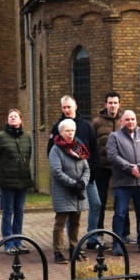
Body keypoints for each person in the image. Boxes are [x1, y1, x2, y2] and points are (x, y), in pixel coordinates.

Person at [47, 96, 105, 253]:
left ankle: (88, 240)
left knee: (90, 209)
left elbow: (92, 151)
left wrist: (89, 176)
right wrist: (71, 183)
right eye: (64, 107)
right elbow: (53, 160)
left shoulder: (85, 128)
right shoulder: (56, 131)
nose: (66, 110)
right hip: (66, 184)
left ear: (75, 106)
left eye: (69, 107)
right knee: (65, 216)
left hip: (84, 180)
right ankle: (64, 247)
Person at [106, 110, 140, 256]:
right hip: (123, 183)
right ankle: (117, 243)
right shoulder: (114, 136)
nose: (130, 122)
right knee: (120, 214)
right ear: (121, 121)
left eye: (133, 119)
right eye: (127, 119)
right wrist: (130, 168)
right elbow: (112, 156)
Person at [92, 92, 136, 245]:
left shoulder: (125, 121)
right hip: (102, 167)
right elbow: (93, 144)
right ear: (105, 105)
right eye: (110, 102)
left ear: (119, 104)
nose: (112, 105)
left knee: (123, 200)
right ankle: (99, 234)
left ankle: (125, 233)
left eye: (115, 102)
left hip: (120, 167)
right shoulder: (97, 122)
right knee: (100, 201)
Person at [0, 109, 34, 255]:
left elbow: (28, 155)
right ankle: (8, 243)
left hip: (23, 180)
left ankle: (18, 241)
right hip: (7, 181)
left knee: (19, 211)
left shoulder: (27, 137)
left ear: (21, 120)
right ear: (7, 120)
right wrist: (0, 175)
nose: (13, 118)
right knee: (8, 211)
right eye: (10, 116)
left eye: (16, 116)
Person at [49, 119, 90, 264]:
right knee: (60, 223)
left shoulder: (79, 148)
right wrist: (75, 184)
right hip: (63, 191)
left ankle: (74, 249)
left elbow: (86, 168)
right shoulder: (56, 150)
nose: (70, 133)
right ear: (61, 132)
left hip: (78, 191)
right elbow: (57, 172)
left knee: (76, 222)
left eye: (72, 130)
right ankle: (58, 252)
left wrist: (82, 183)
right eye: (67, 130)